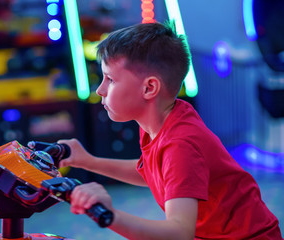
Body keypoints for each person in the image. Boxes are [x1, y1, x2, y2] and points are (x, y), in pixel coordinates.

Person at [57, 21, 283, 239]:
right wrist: (86, 160)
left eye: (110, 79)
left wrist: (108, 214)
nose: (100, 90)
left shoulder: (181, 143)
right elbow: (154, 174)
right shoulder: (162, 119)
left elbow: (178, 232)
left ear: (149, 88)